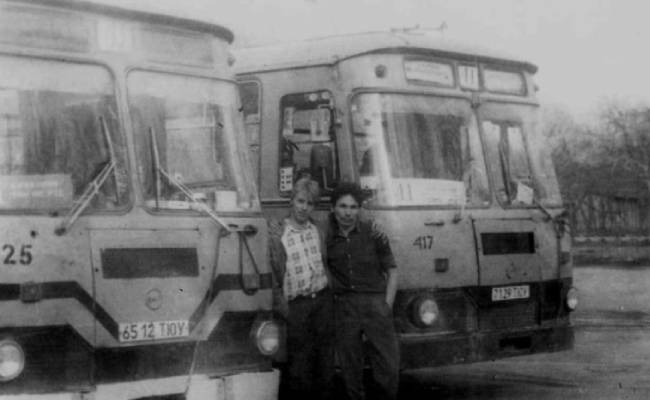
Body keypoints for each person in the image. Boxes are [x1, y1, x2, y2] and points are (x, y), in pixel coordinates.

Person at [325, 182, 400, 400]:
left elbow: (392, 271)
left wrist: (387, 305)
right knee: (350, 369)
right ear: (333, 208)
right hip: (345, 306)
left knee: (388, 366)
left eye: (353, 207)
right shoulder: (326, 236)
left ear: (359, 209)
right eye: (343, 206)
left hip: (375, 304)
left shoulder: (373, 232)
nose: (348, 213)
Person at [267, 177, 334, 399]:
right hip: (297, 306)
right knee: (299, 368)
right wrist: (285, 309)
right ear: (292, 201)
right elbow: (274, 275)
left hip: (322, 303)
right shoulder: (279, 234)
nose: (304, 208)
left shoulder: (317, 230)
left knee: (325, 365)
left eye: (310, 203)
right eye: (300, 201)